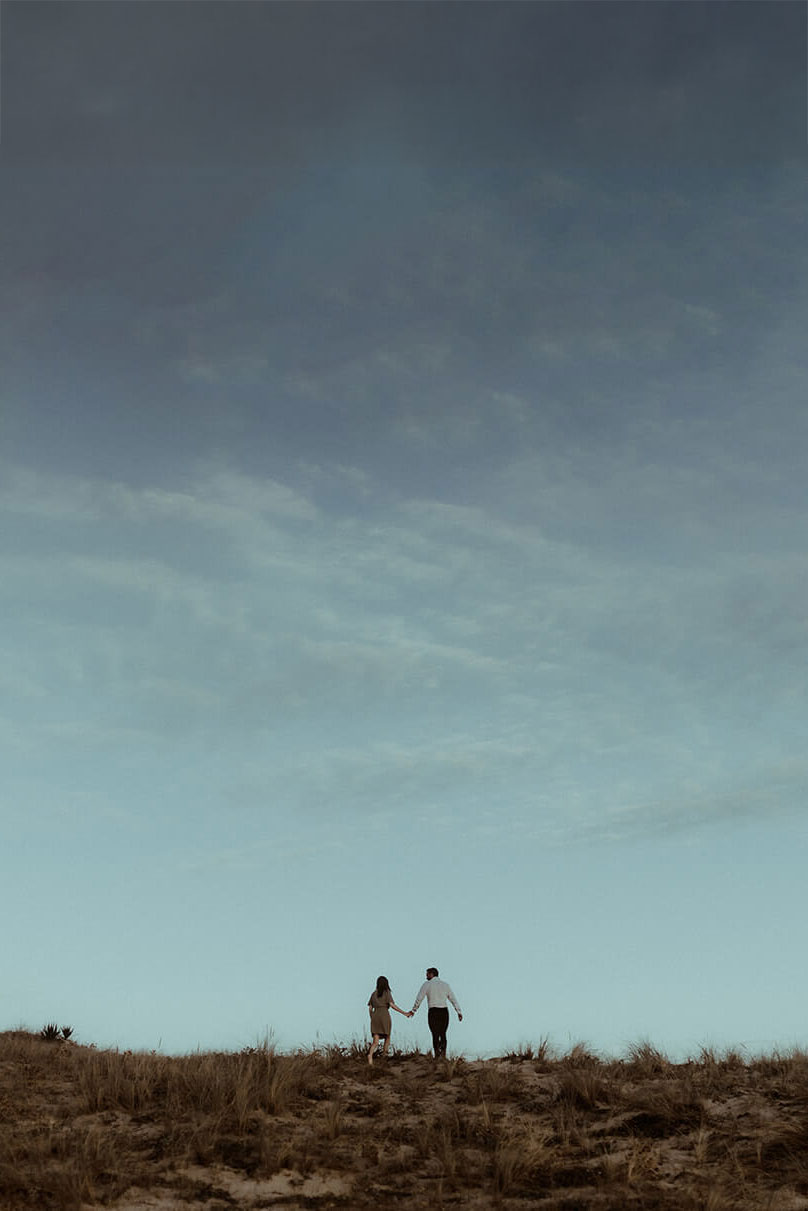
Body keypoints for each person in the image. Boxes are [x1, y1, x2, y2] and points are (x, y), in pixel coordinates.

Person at [408, 967, 463, 1059]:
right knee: (443, 1033)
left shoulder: (427, 984)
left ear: (431, 974)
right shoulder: (445, 985)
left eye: (427, 974)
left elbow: (419, 998)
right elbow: (453, 999)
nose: (426, 976)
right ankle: (443, 1055)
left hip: (433, 1011)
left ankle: (437, 1055)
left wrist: (414, 1010)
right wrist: (459, 1011)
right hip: (444, 1011)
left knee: (435, 1034)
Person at [367, 975, 408, 1065]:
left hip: (375, 1016)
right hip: (384, 1015)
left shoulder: (373, 994)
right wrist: (404, 1012)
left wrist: (372, 1017)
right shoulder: (386, 992)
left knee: (375, 1041)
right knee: (387, 1036)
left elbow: (370, 1008)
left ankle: (370, 1055)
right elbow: (392, 1005)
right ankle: (384, 1056)